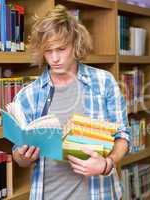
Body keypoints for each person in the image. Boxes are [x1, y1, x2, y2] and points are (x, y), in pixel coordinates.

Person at [11, 5, 130, 200]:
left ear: (75, 44)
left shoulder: (103, 82)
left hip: (99, 193)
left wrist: (107, 164)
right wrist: (23, 157)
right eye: (48, 51)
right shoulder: (28, 95)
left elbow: (122, 135)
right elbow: (18, 154)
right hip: (48, 194)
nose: (55, 58)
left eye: (61, 49)